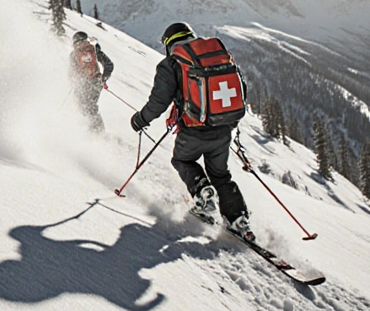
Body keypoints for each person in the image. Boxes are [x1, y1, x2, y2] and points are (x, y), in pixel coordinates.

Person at [129, 22, 254, 241]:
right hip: (223, 129)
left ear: (169, 43)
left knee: (182, 161)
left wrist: (141, 119)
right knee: (220, 174)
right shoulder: (217, 55)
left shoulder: (171, 63)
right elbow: (241, 88)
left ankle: (203, 195)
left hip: (194, 130)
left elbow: (159, 101)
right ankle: (239, 219)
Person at [70, 31, 113, 132]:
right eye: (78, 42)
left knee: (89, 105)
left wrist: (104, 77)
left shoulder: (92, 51)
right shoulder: (77, 54)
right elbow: (72, 71)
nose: (80, 44)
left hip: (94, 82)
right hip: (86, 83)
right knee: (83, 105)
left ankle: (97, 131)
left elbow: (109, 64)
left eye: (82, 41)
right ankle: (92, 128)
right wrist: (74, 81)